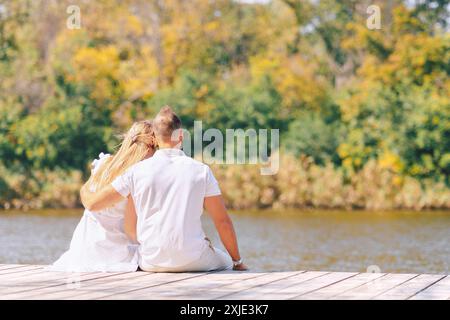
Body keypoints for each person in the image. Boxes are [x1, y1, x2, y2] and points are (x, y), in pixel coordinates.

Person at [80, 106, 248, 272]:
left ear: (156, 138)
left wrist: (85, 188)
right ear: (181, 136)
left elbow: (93, 204)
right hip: (195, 259)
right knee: (226, 261)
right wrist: (237, 261)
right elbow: (222, 222)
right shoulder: (201, 171)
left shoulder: (135, 172)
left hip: (151, 262)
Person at [50, 121, 158, 272]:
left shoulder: (105, 163)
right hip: (113, 253)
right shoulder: (136, 176)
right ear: (151, 145)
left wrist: (84, 191)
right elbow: (130, 229)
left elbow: (87, 195)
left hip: (82, 249)